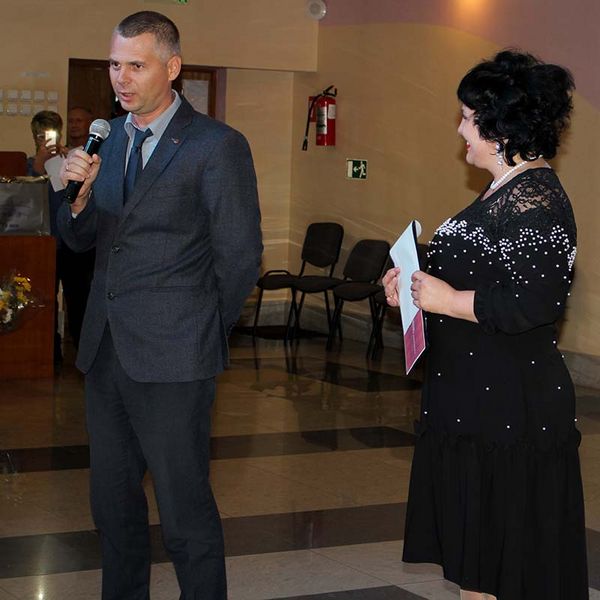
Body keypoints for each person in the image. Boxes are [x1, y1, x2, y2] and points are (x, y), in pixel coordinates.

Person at [57, 11, 262, 600]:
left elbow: (239, 254)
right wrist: (77, 201)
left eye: (135, 65)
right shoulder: (107, 140)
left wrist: (202, 330)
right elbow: (79, 240)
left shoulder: (215, 145)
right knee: (112, 506)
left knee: (183, 511)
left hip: (176, 356)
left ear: (172, 68)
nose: (121, 79)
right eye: (114, 65)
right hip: (106, 351)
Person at [383, 50, 587, 600]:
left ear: (502, 129)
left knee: (499, 566)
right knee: (477, 566)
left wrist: (448, 300)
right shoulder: (502, 191)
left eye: (469, 118)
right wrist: (412, 284)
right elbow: (482, 270)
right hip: (474, 398)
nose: (460, 129)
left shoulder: (537, 199)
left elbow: (535, 302)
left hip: (509, 408)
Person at [27, 111, 94, 352]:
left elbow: (74, 197)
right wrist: (38, 167)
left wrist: (67, 160)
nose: (45, 140)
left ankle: (82, 350)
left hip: (70, 243)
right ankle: (49, 350)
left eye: (50, 134)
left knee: (78, 299)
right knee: (43, 299)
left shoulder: (69, 160)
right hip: (42, 244)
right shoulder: (28, 165)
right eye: (40, 135)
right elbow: (26, 203)